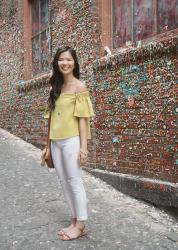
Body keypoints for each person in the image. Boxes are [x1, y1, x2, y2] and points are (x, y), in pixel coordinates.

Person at [44, 46, 95, 241]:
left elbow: (83, 119)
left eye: (68, 59)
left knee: (75, 181)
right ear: (57, 63)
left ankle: (81, 224)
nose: (65, 63)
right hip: (56, 143)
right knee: (64, 182)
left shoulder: (79, 87)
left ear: (74, 63)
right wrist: (47, 145)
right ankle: (74, 220)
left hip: (72, 141)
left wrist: (83, 147)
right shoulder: (54, 87)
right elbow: (49, 119)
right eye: (61, 60)